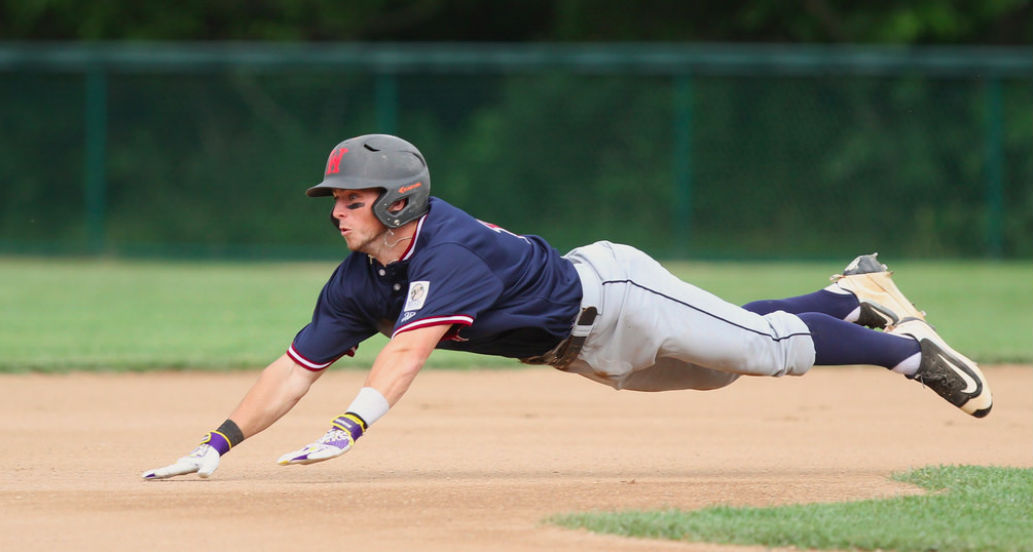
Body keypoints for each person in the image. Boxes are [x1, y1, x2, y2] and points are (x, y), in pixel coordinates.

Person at [142, 134, 992, 480]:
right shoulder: (359, 279)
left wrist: (350, 427)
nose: (335, 209)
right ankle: (851, 295)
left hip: (614, 296)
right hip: (583, 352)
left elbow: (407, 354)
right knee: (724, 363)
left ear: (398, 202)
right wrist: (215, 446)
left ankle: (909, 354)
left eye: (351, 198)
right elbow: (293, 370)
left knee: (765, 350)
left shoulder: (449, 252)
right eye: (333, 197)